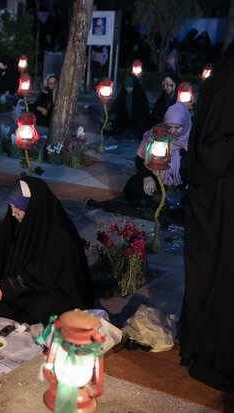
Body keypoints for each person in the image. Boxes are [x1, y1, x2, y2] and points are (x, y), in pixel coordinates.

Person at [180, 41, 234, 393]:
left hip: (217, 199)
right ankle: (211, 353)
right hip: (217, 202)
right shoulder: (227, 86)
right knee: (217, 278)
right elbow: (214, 149)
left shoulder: (221, 82)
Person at [0, 177, 94, 325]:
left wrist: (9, 286)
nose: (13, 214)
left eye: (18, 209)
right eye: (11, 207)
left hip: (52, 289)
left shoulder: (60, 233)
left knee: (40, 308)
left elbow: (47, 273)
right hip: (22, 283)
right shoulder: (17, 222)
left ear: (33, 207)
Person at [124, 102, 191, 205]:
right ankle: (162, 200)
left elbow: (200, 166)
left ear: (185, 124)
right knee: (132, 187)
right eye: (169, 126)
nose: (172, 131)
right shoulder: (156, 134)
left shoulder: (192, 138)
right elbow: (139, 159)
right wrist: (147, 177)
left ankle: (167, 201)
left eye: (177, 127)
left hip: (182, 184)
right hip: (157, 178)